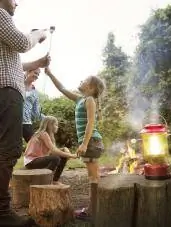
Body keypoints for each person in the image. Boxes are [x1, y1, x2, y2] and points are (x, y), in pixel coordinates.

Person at [0, 0, 49, 226]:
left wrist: (37, 62)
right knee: (8, 151)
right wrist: (37, 34)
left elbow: (12, 64)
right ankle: (0, 214)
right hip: (5, 93)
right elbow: (21, 42)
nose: (16, 3)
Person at [44, 67, 105, 219]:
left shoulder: (90, 100)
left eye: (84, 80)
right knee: (93, 177)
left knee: (93, 178)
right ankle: (94, 209)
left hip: (92, 142)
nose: (80, 81)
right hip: (91, 142)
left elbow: (91, 123)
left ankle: (92, 211)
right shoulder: (80, 99)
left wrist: (84, 144)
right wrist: (50, 73)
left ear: (90, 88)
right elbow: (62, 88)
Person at [24, 116, 77, 183]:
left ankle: (55, 180)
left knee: (61, 157)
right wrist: (71, 155)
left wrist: (64, 149)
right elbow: (54, 151)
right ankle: (45, 180)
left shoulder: (48, 135)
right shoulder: (43, 134)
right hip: (31, 161)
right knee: (56, 158)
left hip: (37, 159)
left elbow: (53, 151)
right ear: (50, 125)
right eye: (56, 125)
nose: (57, 127)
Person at [22, 68, 44, 142]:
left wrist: (45, 118)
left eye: (38, 74)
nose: (37, 76)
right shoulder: (17, 83)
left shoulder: (35, 92)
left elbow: (36, 112)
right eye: (35, 73)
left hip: (26, 123)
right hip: (12, 120)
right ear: (28, 71)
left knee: (34, 144)